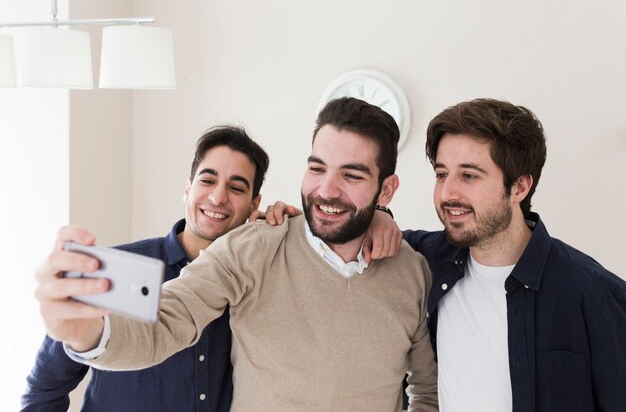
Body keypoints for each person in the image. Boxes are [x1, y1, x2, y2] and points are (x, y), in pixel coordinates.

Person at [34, 97, 438, 412]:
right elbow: (170, 319)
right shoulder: (255, 246)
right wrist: (86, 332)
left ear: (386, 190)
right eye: (317, 168)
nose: (326, 189)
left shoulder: (410, 270)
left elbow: (428, 388)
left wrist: (383, 220)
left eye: (351, 175)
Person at [368, 98, 626, 412]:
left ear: (519, 187)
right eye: (441, 174)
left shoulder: (595, 294)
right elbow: (334, 234)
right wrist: (378, 213)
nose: (448, 193)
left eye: (469, 176)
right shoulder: (424, 259)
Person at [22, 126, 269, 412]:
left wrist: (289, 233)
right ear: (188, 188)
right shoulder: (113, 271)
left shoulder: (257, 281)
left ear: (255, 205)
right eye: (207, 180)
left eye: (236, 188)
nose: (218, 197)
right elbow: (44, 389)